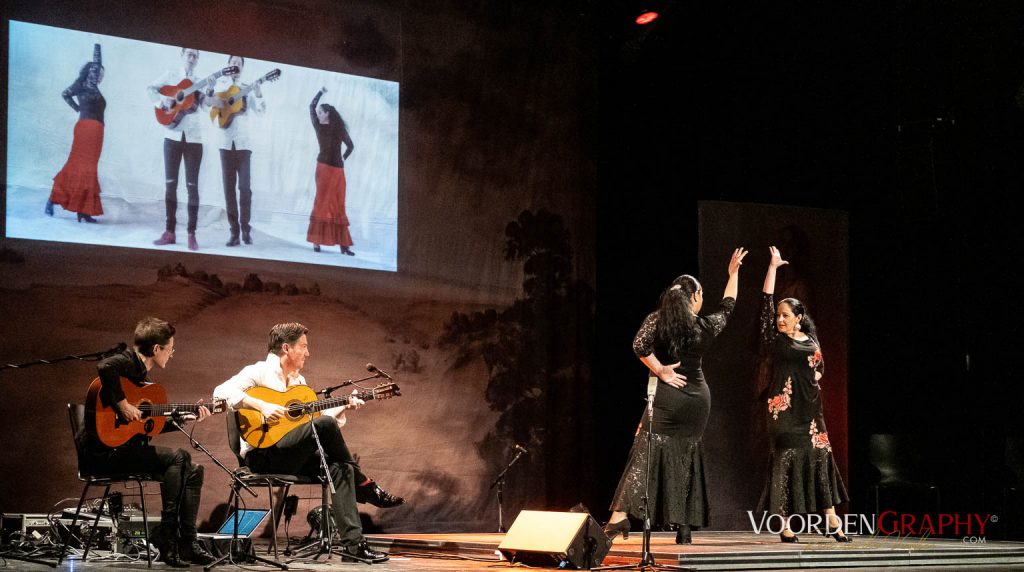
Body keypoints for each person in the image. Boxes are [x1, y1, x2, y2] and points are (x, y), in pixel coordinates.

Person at [213, 323, 403, 564]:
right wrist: (262, 406)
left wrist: (344, 405)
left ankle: (354, 547)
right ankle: (365, 484)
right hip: (263, 455)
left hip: (292, 455)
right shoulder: (257, 372)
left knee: (339, 467)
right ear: (286, 348)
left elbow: (311, 425)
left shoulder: (298, 381)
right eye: (303, 346)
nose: (308, 352)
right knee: (325, 426)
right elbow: (219, 393)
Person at [604, 248, 747, 544]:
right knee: (687, 456)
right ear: (693, 298)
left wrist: (661, 371)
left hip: (670, 397)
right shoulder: (704, 326)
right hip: (697, 400)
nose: (703, 298)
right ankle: (683, 526)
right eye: (702, 293)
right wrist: (733, 274)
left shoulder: (659, 320)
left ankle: (619, 518)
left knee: (645, 451)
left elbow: (639, 345)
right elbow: (728, 306)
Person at [83, 317, 214, 566]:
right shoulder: (128, 361)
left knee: (194, 470)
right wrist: (121, 404)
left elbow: (143, 426)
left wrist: (182, 419)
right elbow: (105, 367)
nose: (172, 354)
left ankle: (187, 541)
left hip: (128, 449)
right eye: (170, 349)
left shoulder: (144, 382)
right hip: (106, 453)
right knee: (180, 457)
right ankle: (167, 535)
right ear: (156, 349)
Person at [757, 246, 850, 543]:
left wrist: (814, 379)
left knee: (820, 458)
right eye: (778, 316)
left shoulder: (810, 338)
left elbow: (820, 365)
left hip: (811, 412)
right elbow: (765, 305)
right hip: (784, 412)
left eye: (785, 316)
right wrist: (772, 269)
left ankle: (831, 520)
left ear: (799, 317)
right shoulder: (776, 341)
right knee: (785, 460)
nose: (779, 320)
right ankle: (785, 525)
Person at [147, 48, 207, 251]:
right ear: (182, 55)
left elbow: (207, 106)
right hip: (171, 137)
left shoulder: (201, 81)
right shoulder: (170, 76)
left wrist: (209, 95)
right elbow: (150, 89)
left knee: (192, 187)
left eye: (196, 55)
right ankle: (169, 231)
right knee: (170, 184)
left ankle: (191, 233)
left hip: (194, 139)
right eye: (189, 54)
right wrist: (162, 101)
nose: (192, 58)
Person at [46, 44, 105, 223]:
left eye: (102, 74)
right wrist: (97, 42)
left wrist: (77, 108)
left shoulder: (81, 86)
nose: (101, 76)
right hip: (90, 129)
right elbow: (97, 62)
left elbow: (65, 94)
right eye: (99, 73)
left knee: (82, 167)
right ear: (92, 72)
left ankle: (82, 210)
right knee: (84, 167)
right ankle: (61, 202)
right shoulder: (90, 84)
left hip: (89, 129)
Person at [210, 55, 264, 247]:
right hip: (225, 144)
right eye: (233, 63)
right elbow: (213, 102)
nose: (236, 66)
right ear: (228, 66)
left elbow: (261, 111)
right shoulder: (220, 85)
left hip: (244, 144)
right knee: (229, 190)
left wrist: (257, 93)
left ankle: (246, 229)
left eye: (239, 64)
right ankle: (234, 232)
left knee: (245, 189)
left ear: (242, 68)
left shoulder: (247, 87)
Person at [306, 87, 356, 255]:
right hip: (323, 169)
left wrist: (342, 159)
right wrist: (319, 92)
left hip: (337, 172)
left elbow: (351, 146)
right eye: (318, 113)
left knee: (338, 204)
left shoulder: (338, 129)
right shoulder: (318, 126)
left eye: (321, 112)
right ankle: (316, 241)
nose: (318, 115)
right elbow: (311, 106)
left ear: (327, 113)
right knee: (322, 202)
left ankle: (344, 245)